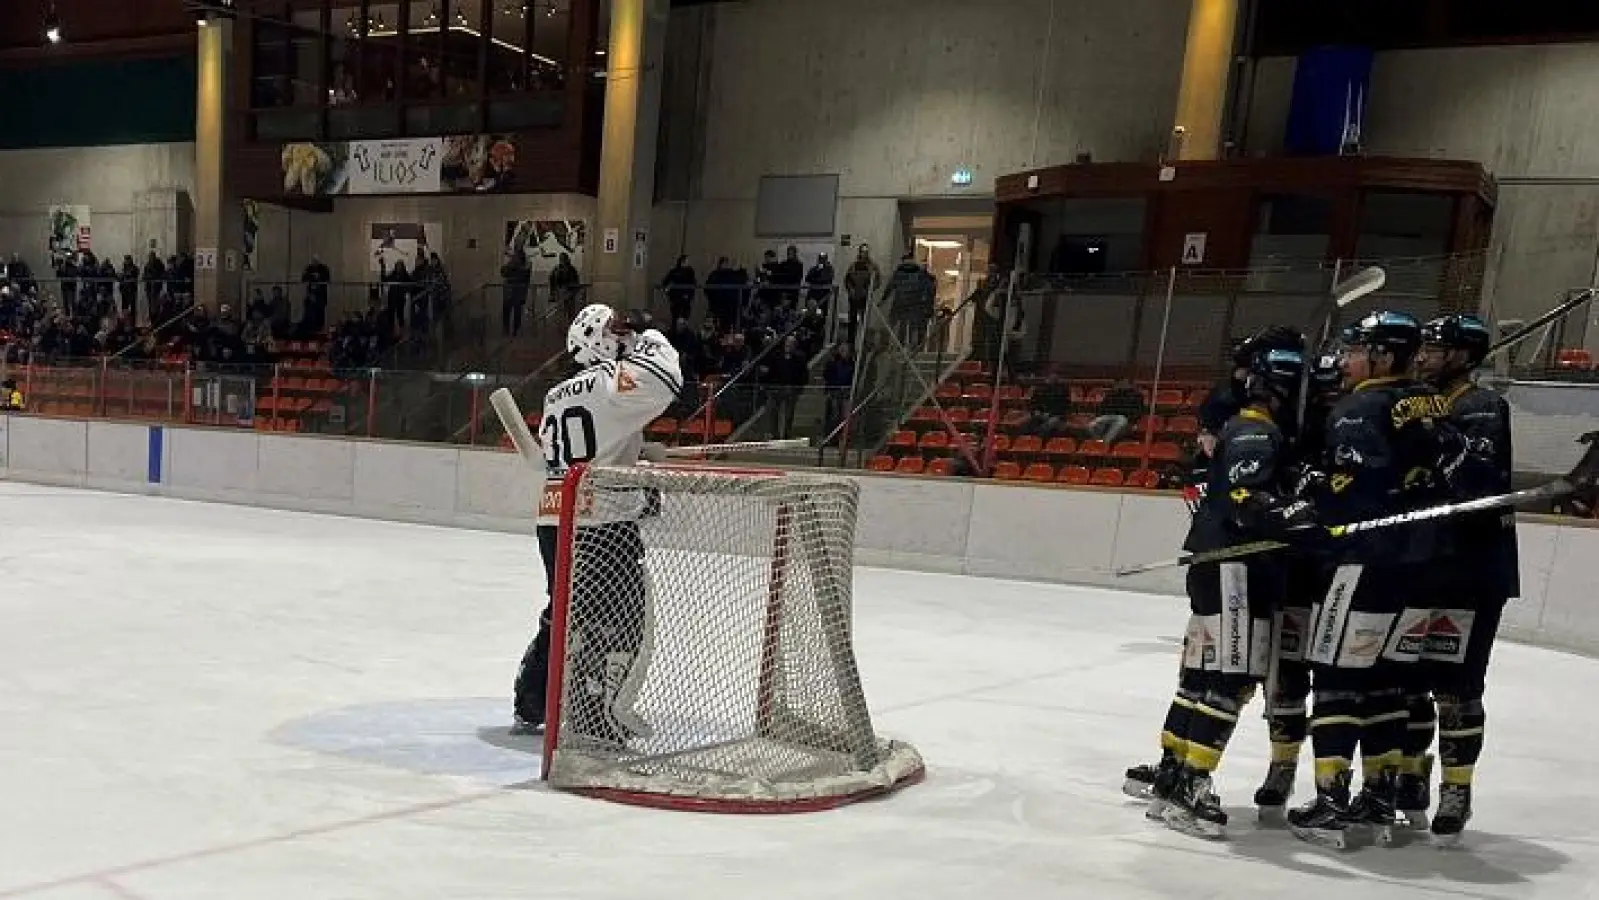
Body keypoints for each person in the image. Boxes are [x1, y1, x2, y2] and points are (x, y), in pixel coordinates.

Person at [1287, 311, 1461, 850]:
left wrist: (1312, 489)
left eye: (1357, 349)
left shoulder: (1359, 407)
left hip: (1363, 560)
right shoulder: (1433, 401)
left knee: (1337, 679)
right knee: (1388, 683)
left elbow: (1350, 490)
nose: (1346, 359)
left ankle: (1332, 804)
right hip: (1422, 563)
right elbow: (1454, 462)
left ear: (1383, 355)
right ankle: (1380, 797)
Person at [1142, 345, 1311, 839]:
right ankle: (1192, 788)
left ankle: (1172, 778)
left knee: (1200, 678)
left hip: (1216, 564)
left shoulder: (1243, 426)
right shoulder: (1258, 432)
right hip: (1235, 569)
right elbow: (1245, 499)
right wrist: (1293, 513)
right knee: (1230, 680)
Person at [511, 303, 683, 739]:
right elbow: (667, 377)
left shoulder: (557, 395)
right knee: (617, 617)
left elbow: (582, 446)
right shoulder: (609, 382)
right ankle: (594, 716)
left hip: (554, 517)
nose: (624, 337)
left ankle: (532, 698)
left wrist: (633, 452)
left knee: (565, 610)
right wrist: (649, 330)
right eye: (615, 331)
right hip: (601, 522)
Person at [1407, 313, 1514, 845]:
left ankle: (1457, 788)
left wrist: (1431, 429)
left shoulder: (1482, 407)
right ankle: (1410, 776)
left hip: (1470, 570)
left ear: (1462, 355)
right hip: (1422, 563)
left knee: (1457, 688)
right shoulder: (1425, 401)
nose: (1423, 356)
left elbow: (1473, 479)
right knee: (1407, 683)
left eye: (1435, 348)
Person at [1253, 350, 1343, 823]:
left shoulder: (1357, 426)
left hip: (1339, 570)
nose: (1330, 397)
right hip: (1296, 569)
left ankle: (1339, 783)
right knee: (1287, 673)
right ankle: (1282, 767)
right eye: (1322, 388)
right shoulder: (1290, 432)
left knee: (1336, 681)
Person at [842, 246, 881, 344]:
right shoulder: (853, 265)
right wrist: (850, 290)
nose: (863, 254)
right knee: (852, 320)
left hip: (865, 297)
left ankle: (864, 341)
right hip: (854, 297)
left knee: (864, 320)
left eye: (865, 252)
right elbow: (847, 280)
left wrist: (869, 290)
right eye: (862, 252)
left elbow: (877, 281)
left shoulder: (872, 266)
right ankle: (851, 341)